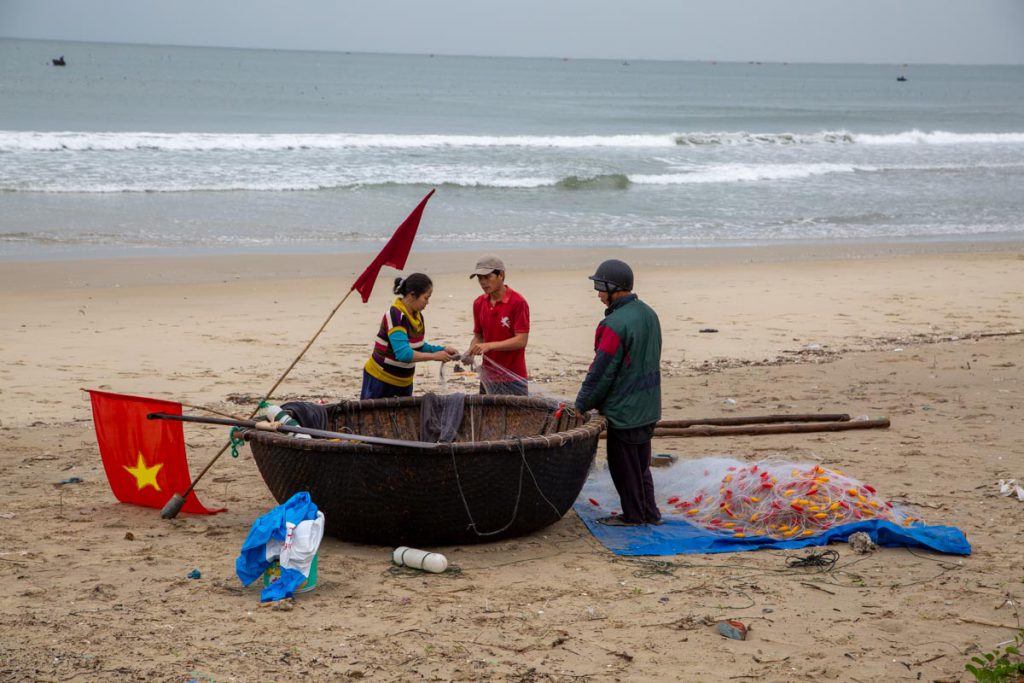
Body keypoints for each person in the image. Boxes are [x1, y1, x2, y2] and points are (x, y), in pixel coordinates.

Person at [574, 259, 663, 527]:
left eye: (601, 287)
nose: (598, 294)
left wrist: (582, 403)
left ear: (615, 287)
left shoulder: (614, 324)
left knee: (624, 468)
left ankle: (634, 515)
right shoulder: (649, 314)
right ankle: (650, 513)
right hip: (648, 405)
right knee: (641, 465)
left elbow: (601, 372)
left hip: (625, 409)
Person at [361, 273, 458, 400]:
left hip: (404, 383)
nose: (427, 303)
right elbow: (403, 354)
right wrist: (434, 356)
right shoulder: (395, 315)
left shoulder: (417, 316)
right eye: (426, 298)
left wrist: (442, 349)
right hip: (380, 381)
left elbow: (418, 346)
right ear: (412, 295)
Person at [466, 254, 530, 395]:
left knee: (517, 416)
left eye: (487, 277)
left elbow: (521, 340)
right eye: (480, 278)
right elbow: (479, 336)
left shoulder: (518, 302)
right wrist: (470, 351)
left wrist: (489, 345)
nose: (483, 282)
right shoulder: (478, 303)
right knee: (486, 416)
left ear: (501, 275)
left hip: (513, 377)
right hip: (488, 376)